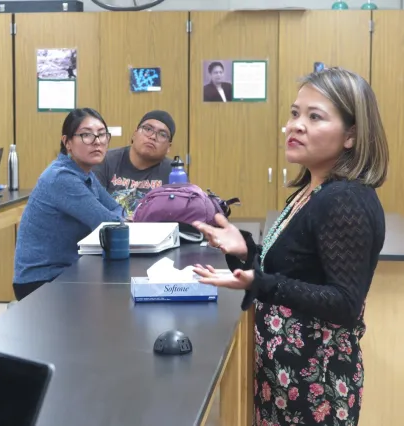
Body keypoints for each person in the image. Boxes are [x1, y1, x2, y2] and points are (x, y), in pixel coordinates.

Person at [192, 67, 389, 425]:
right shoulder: (312, 190)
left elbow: (344, 303)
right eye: (295, 113)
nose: (296, 125)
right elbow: (289, 273)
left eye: (315, 117)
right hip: (285, 377)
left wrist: (257, 282)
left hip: (316, 384)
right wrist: (243, 250)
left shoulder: (346, 199)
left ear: (351, 136)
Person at [13, 108, 124, 301]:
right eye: (86, 135)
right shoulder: (62, 177)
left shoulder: (83, 173)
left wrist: (117, 218)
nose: (97, 141)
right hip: (41, 282)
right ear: (67, 142)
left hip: (66, 271)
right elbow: (108, 223)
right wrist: (117, 219)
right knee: (118, 296)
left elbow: (116, 209)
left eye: (102, 134)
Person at [93, 110, 174, 216]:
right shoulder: (106, 161)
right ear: (134, 134)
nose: (153, 137)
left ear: (169, 147)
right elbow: (93, 207)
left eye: (162, 134)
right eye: (148, 129)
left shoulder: (173, 171)